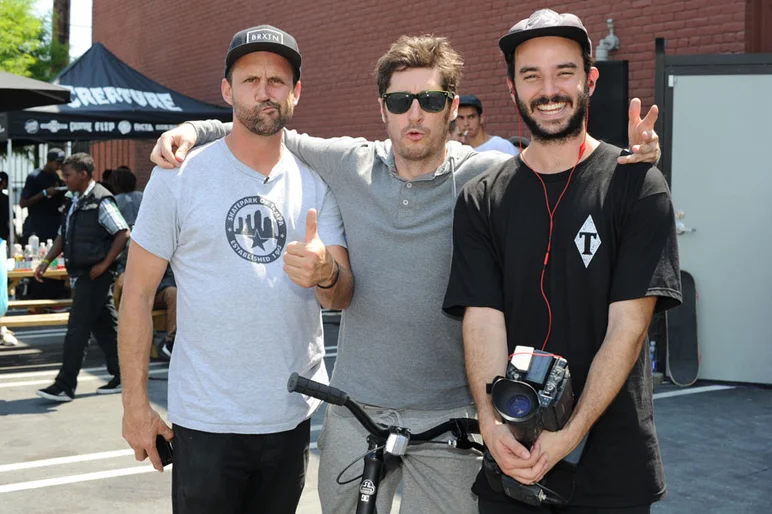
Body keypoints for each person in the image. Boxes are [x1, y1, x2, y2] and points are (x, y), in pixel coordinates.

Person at [150, 36, 662, 514]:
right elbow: (264, 123)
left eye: (431, 101)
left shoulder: (487, 176)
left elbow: (562, 162)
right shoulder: (348, 162)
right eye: (399, 102)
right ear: (382, 109)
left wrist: (633, 163)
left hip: (453, 422)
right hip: (356, 412)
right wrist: (193, 130)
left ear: (454, 108)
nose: (414, 115)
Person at [442, 9, 682, 514]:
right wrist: (490, 423)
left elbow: (628, 329)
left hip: (610, 469)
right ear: (512, 87)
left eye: (564, 72)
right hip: (511, 461)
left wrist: (569, 433)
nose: (548, 89)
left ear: (590, 80)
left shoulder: (637, 186)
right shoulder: (481, 199)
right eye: (531, 75)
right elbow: (483, 319)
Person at [120, 25, 352, 514]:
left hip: (289, 418)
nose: (264, 92)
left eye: (277, 81)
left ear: (296, 92)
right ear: (227, 90)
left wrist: (326, 273)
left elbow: (340, 297)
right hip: (204, 420)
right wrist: (135, 407)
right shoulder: (179, 177)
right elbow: (137, 294)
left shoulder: (318, 183)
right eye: (250, 80)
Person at [34, 153, 130, 402]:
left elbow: (122, 232)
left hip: (94, 274)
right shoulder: (73, 201)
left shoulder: (101, 200)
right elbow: (61, 236)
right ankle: (124, 376)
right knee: (107, 328)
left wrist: (105, 263)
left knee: (77, 329)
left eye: (68, 175)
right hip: (83, 273)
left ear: (84, 174)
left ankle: (65, 385)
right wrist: (46, 262)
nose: (65, 179)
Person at [107, 166, 177, 357]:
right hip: (138, 279)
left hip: (160, 285)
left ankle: (171, 343)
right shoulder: (141, 198)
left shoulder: (117, 201)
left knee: (174, 293)